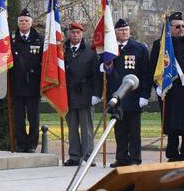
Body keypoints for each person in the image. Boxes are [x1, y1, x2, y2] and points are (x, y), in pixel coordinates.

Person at [154, 12, 184, 162]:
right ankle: (172, 155)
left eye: (183, 26)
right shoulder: (160, 44)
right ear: (170, 28)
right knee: (171, 124)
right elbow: (153, 68)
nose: (181, 29)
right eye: (177, 26)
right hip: (170, 90)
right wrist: (157, 85)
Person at [105, 18, 151, 166]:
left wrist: (145, 95)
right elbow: (107, 72)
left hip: (133, 96)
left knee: (134, 131)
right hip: (116, 96)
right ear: (115, 33)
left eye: (126, 30)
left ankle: (135, 159)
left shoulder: (139, 48)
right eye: (121, 31)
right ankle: (121, 158)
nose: (124, 33)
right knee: (119, 130)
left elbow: (146, 73)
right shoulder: (110, 49)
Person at [62, 22, 99, 165]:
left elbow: (96, 75)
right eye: (72, 32)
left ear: (82, 34)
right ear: (68, 34)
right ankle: (74, 156)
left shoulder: (90, 51)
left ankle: (89, 156)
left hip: (85, 93)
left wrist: (97, 94)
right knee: (72, 127)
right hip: (68, 94)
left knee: (86, 128)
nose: (75, 35)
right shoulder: (62, 51)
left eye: (77, 33)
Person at [9, 9, 43, 151]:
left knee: (33, 118)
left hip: (33, 84)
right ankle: (21, 144)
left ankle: (32, 144)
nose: (23, 23)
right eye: (21, 21)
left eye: (26, 21)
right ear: (18, 23)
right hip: (17, 83)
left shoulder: (39, 39)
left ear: (31, 23)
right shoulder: (11, 39)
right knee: (18, 118)